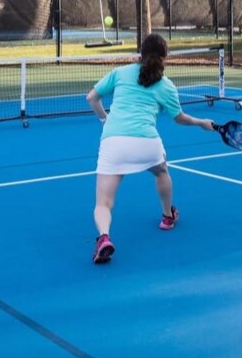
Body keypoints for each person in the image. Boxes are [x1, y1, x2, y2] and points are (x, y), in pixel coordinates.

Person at [85, 33, 216, 264]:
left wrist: (105, 119)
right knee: (162, 172)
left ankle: (104, 237)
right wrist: (201, 123)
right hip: (147, 144)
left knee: (103, 204)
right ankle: (167, 217)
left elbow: (91, 98)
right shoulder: (166, 85)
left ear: (140, 53)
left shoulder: (120, 72)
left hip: (114, 143)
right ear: (164, 58)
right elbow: (180, 118)